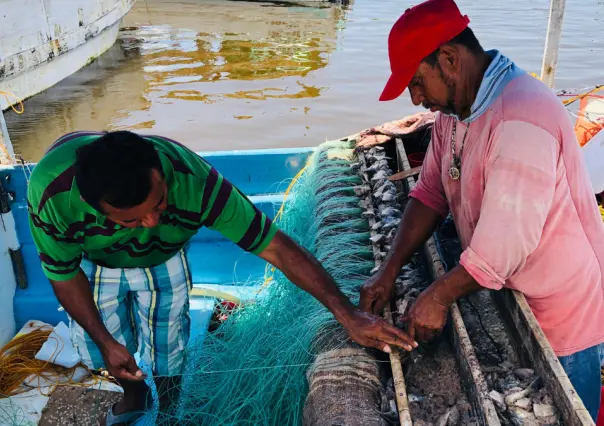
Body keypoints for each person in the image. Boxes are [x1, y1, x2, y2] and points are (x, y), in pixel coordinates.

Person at [27, 130, 416, 424]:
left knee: (169, 344)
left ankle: (169, 408)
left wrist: (347, 314)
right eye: (131, 219)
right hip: (93, 264)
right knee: (104, 350)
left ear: (161, 174)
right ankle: (134, 396)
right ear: (96, 208)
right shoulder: (51, 194)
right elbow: (63, 275)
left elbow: (275, 247)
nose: (150, 222)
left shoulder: (192, 179)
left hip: (164, 257)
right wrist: (106, 341)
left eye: (159, 203)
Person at [358, 0, 604, 420]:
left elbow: (501, 250)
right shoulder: (460, 109)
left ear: (450, 59)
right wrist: (390, 268)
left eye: (418, 82)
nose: (416, 98)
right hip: (508, 288)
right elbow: (430, 191)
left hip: (560, 319)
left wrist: (436, 295)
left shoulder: (521, 120)